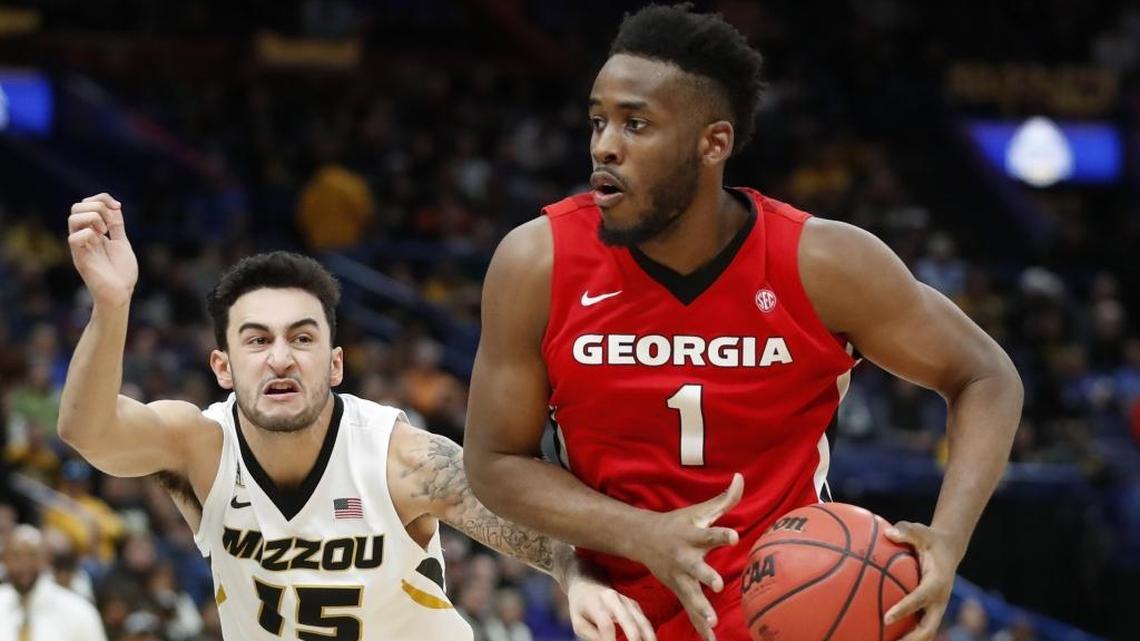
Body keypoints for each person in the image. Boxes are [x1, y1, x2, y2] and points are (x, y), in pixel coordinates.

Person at [463, 5, 1023, 641]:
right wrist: (636, 532)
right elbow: (494, 461)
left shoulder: (822, 263)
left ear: (714, 143)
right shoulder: (538, 262)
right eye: (599, 120)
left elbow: (986, 376)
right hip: (622, 619)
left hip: (788, 606)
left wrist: (947, 541)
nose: (604, 145)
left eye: (636, 124)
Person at [59, 193, 655, 641]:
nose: (281, 357)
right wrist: (111, 305)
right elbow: (89, 431)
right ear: (222, 365)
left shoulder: (398, 457)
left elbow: (514, 511)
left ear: (336, 363)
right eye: (257, 340)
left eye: (302, 337)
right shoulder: (200, 447)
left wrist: (576, 577)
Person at [0, 524, 108, 641]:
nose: (24, 564)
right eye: (16, 556)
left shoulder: (79, 611)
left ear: (46, 559)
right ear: (4, 559)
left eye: (33, 555)